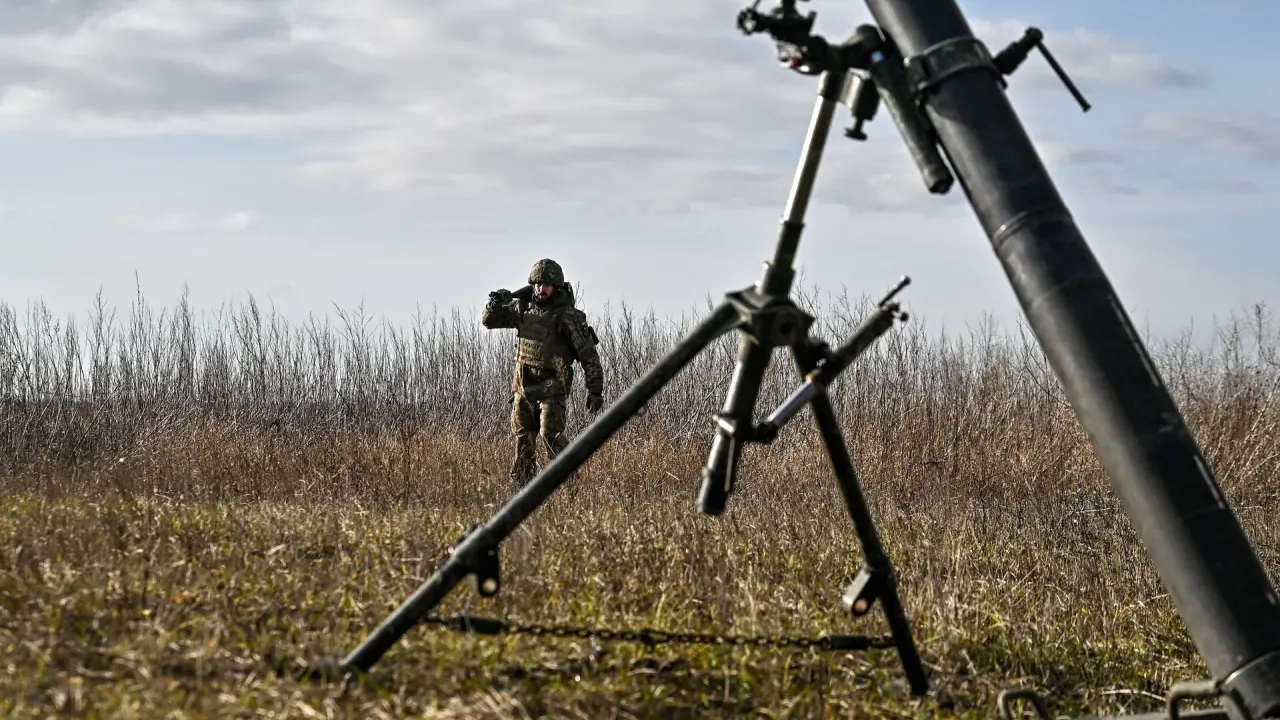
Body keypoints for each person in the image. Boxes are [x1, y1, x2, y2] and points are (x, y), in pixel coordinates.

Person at [482, 258, 605, 486]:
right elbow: (489, 322)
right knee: (524, 441)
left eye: (546, 285)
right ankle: (522, 490)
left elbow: (589, 356)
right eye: (537, 284)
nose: (540, 289)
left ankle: (570, 485)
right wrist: (495, 304)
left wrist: (595, 391)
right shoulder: (523, 309)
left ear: (556, 287)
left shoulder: (569, 316)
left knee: (551, 438)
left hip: (552, 390)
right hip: (523, 388)